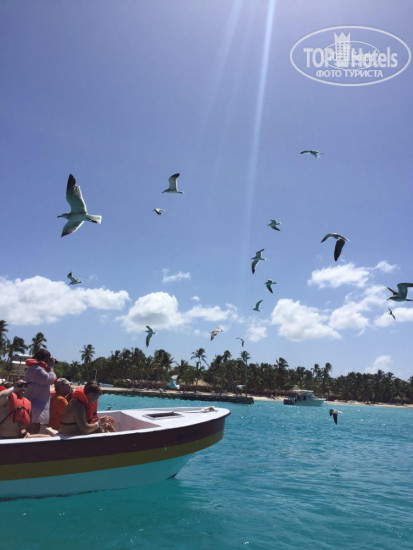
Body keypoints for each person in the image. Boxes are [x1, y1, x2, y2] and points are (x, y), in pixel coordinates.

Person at [25, 349, 57, 434]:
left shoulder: (36, 368)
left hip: (36, 403)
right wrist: (51, 367)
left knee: (36, 427)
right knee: (33, 429)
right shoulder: (36, 368)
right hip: (34, 404)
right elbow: (50, 379)